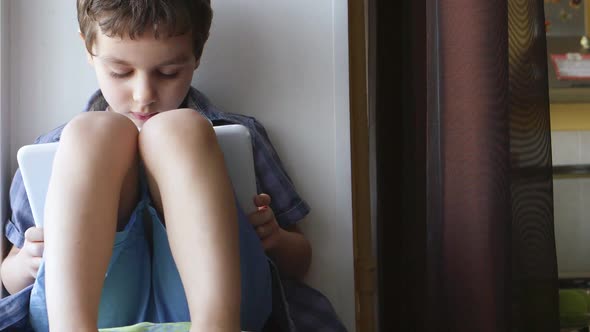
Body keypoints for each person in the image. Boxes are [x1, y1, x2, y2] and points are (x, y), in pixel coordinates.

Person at [0, 0, 313, 331]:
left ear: (197, 54)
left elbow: (300, 261)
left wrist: (274, 238)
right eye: (120, 72)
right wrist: (27, 263)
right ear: (89, 49)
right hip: (97, 308)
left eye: (168, 73)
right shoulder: (55, 149)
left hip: (217, 307)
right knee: (92, 132)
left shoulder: (240, 136)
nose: (143, 95)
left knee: (179, 131)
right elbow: (9, 278)